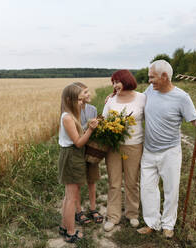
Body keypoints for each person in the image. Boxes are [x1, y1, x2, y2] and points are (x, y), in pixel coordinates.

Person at [136, 60, 196, 238]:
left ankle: (168, 224)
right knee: (147, 188)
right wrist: (115, 97)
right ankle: (152, 223)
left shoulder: (182, 97)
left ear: (165, 77)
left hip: (170, 152)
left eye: (152, 77)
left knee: (171, 189)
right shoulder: (149, 91)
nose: (149, 81)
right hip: (149, 150)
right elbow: (133, 100)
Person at [102, 70, 146, 232]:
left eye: (117, 82)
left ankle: (132, 214)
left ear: (126, 81)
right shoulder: (111, 100)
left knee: (132, 181)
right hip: (113, 147)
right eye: (113, 82)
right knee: (114, 182)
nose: (114, 85)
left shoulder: (142, 98)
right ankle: (113, 217)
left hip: (134, 145)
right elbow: (104, 120)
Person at [58, 83, 98, 243]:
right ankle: (70, 232)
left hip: (73, 156)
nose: (82, 103)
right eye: (80, 100)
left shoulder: (70, 114)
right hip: (71, 156)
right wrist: (90, 129)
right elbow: (78, 142)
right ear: (69, 99)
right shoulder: (67, 117)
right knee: (71, 198)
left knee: (69, 196)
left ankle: (64, 226)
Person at [72, 82, 104, 225]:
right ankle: (78, 211)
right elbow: (75, 132)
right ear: (77, 96)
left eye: (88, 91)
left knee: (92, 180)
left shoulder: (93, 109)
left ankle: (92, 208)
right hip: (77, 150)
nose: (89, 94)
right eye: (85, 92)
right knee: (77, 182)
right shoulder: (71, 112)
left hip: (91, 150)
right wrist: (88, 127)